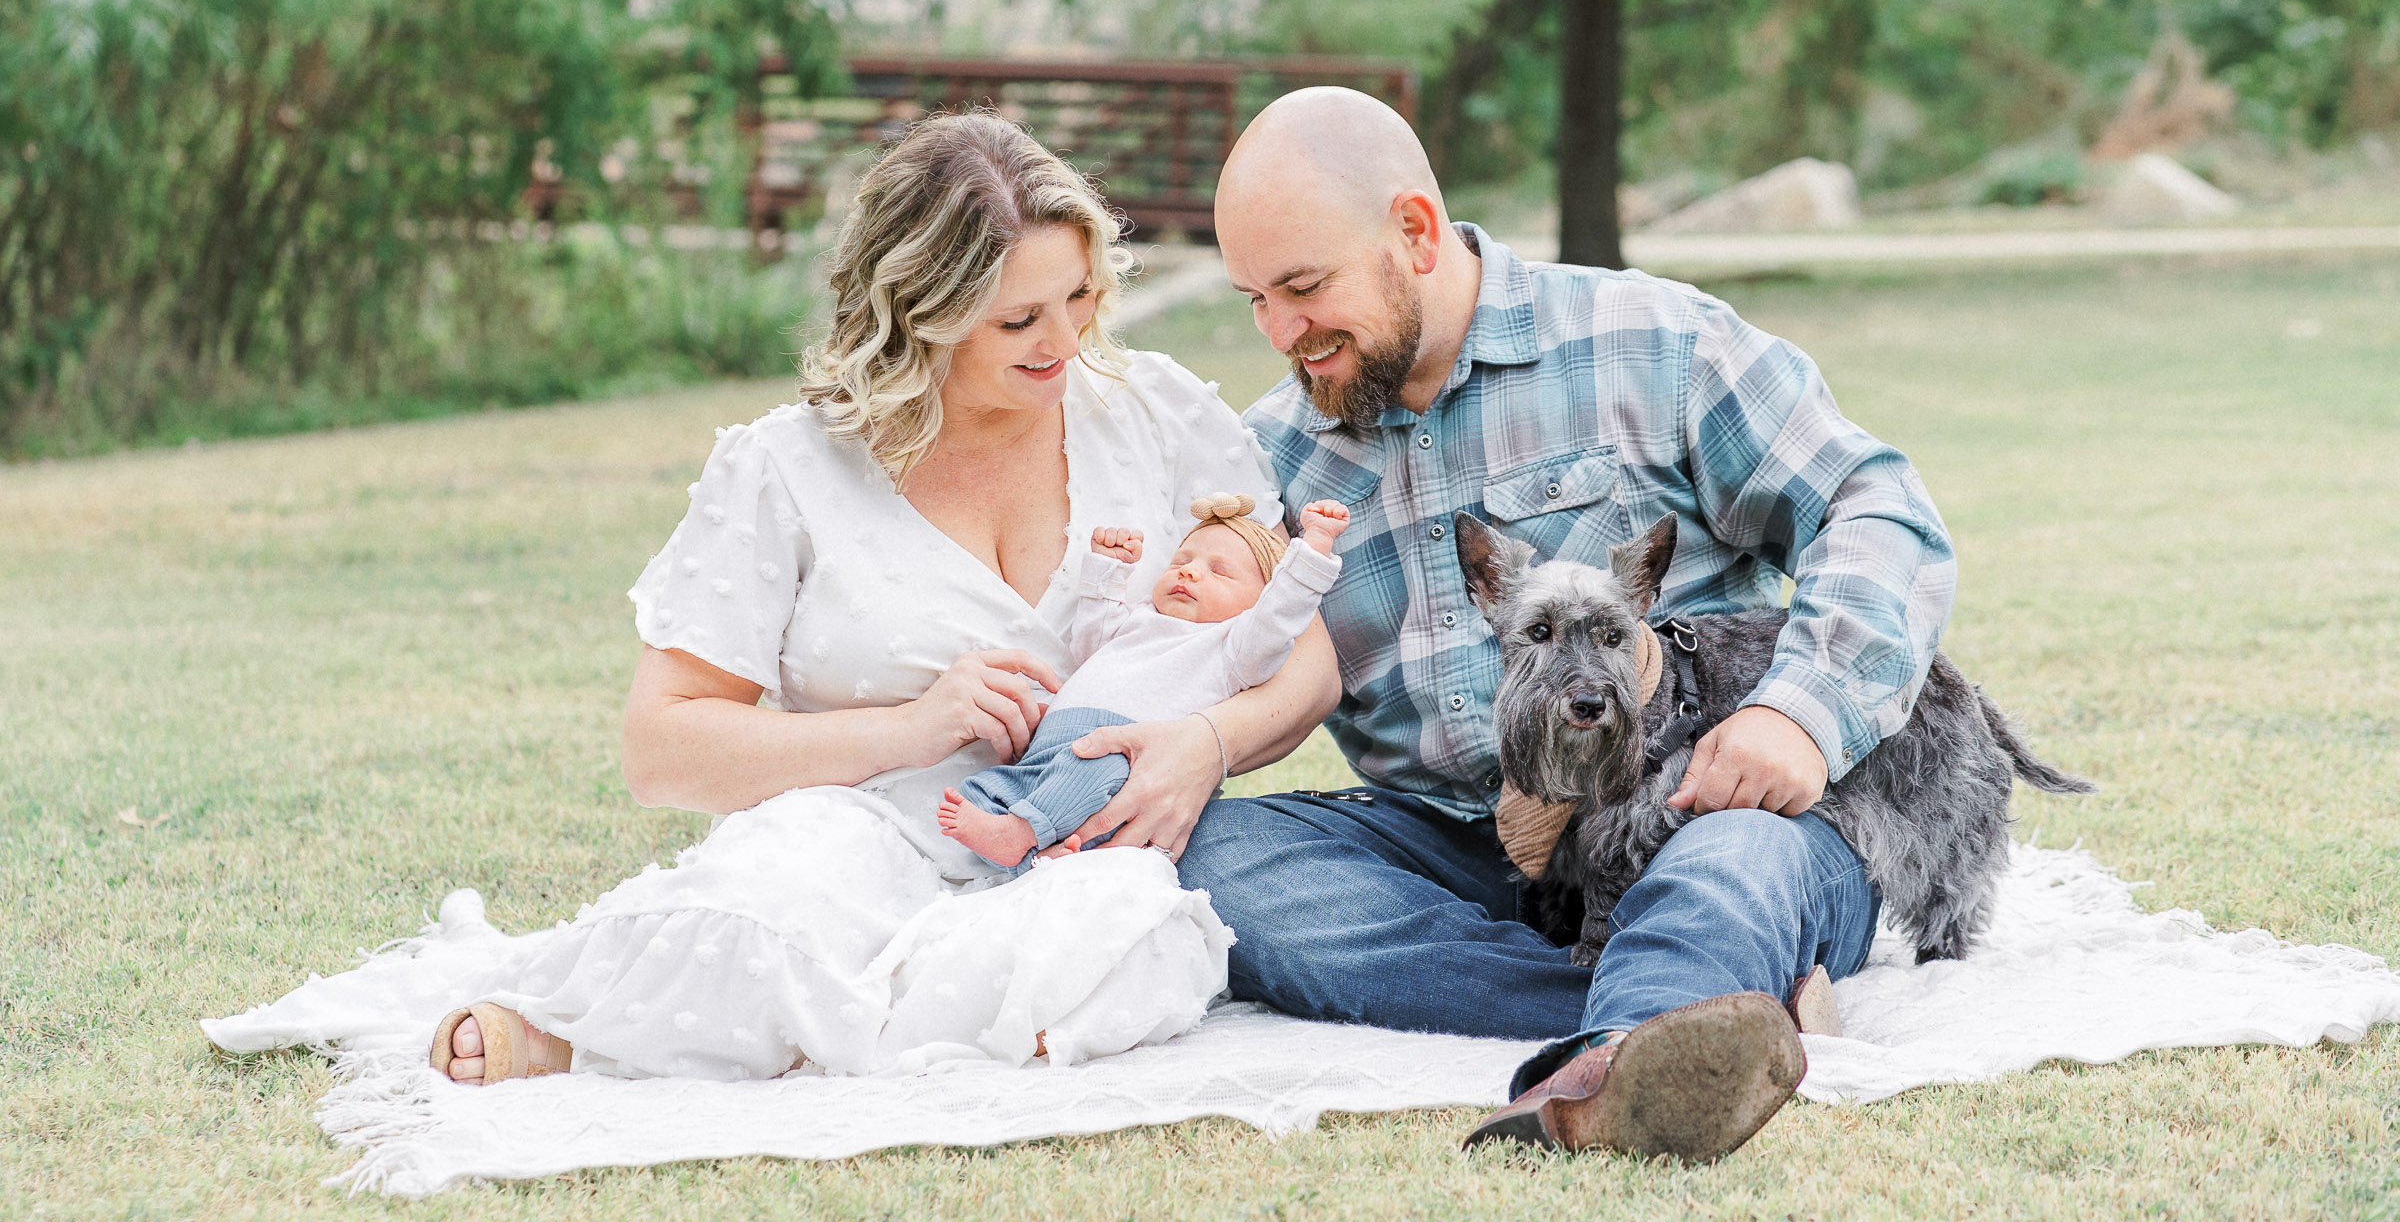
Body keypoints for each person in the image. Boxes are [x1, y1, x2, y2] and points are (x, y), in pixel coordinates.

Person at [428, 113, 1339, 1085]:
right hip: (851, 831)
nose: (1065, 341)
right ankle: (645, 1015)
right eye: (1018, 320)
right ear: (918, 311)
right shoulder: (786, 468)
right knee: (753, 913)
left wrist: (1205, 745)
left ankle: (780, 1029)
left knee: (1133, 939)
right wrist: (912, 726)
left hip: (1078, 843)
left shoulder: (1154, 412)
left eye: (1077, 297)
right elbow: (663, 751)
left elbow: (1308, 662)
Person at [1179, 87, 1956, 1162]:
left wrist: (1800, 713)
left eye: (1304, 287)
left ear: (1414, 229)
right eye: (1252, 298)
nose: (1280, 333)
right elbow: (1213, 654)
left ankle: (1635, 1032)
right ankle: (1683, 995)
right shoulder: (1274, 452)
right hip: (1459, 842)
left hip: (1689, 812)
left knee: (1734, 870)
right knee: (1204, 859)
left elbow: (1874, 506)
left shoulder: (1653, 341)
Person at [939, 493, 1349, 869]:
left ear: (1260, 600)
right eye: (1180, 562)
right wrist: (1108, 566)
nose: (1189, 573)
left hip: (1120, 760)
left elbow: (1283, 612)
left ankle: (1023, 834)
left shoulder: (1234, 648)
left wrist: (1314, 546)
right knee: (985, 789)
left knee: (1095, 771)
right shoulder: (1140, 618)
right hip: (1049, 748)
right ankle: (1025, 853)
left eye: (1219, 572)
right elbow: (1090, 642)